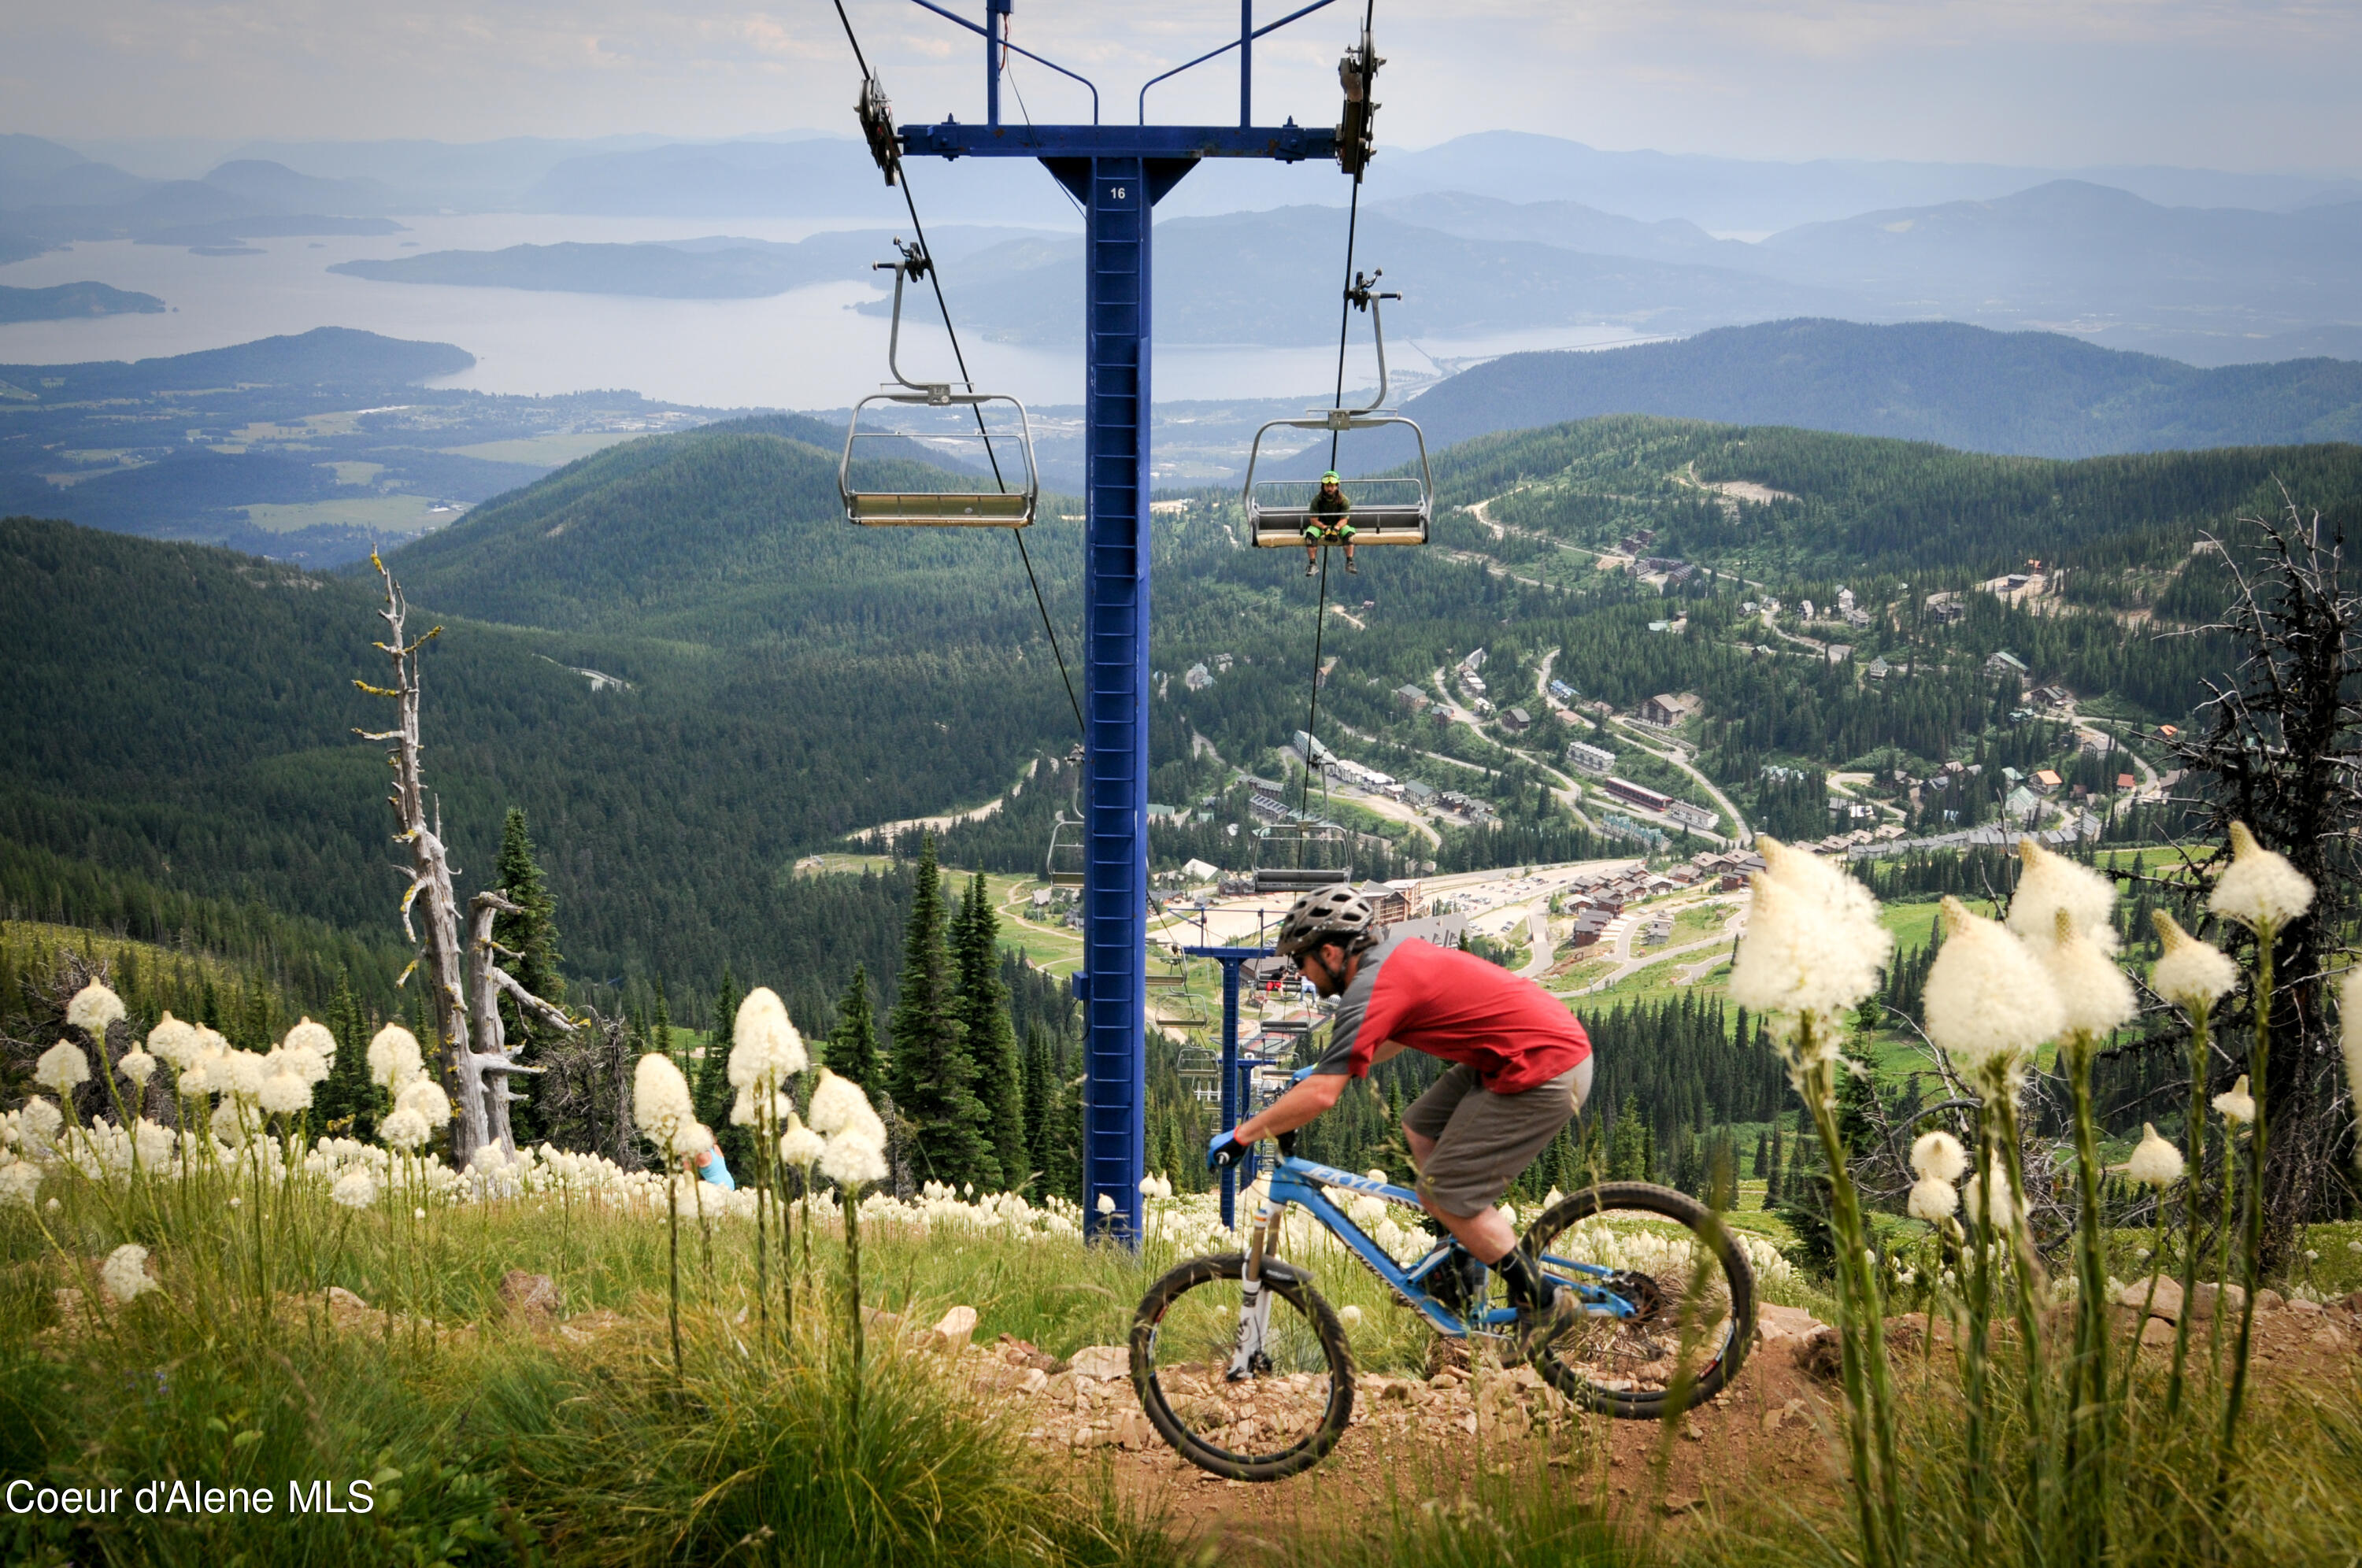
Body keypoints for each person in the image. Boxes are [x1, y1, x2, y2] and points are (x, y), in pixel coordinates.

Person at [1207, 886, 1592, 1327]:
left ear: (1330, 953)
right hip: (1525, 1049)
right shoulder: (1388, 959)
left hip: (1545, 1066)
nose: (1303, 975)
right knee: (1420, 1126)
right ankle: (1460, 1259)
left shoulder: (1372, 985)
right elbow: (1382, 1039)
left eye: (1301, 962)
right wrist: (1321, 1067)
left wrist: (1243, 1135)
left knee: (1441, 1192)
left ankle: (1544, 1301)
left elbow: (1323, 1095)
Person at [1301, 472, 1357, 576]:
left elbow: (1344, 519)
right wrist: (1325, 528)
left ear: (1337, 486)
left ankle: (1350, 562)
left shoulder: (1343, 500)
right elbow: (1313, 520)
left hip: (1339, 525)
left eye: (1332, 486)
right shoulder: (1317, 500)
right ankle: (1313, 564)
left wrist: (1336, 528)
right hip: (1321, 525)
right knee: (1310, 535)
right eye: (1327, 486)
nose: (1330, 489)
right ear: (1323, 486)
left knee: (1349, 534)